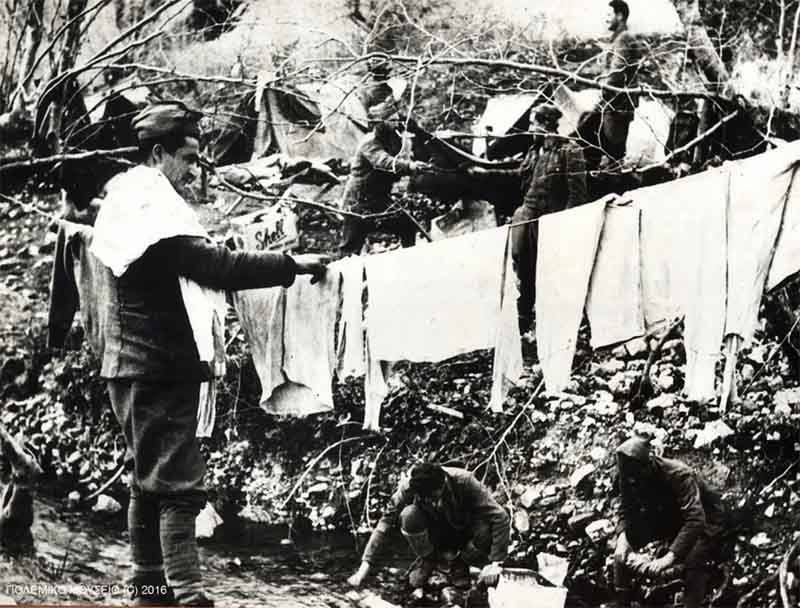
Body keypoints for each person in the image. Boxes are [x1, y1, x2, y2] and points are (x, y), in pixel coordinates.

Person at [89, 101, 328, 606]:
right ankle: (188, 594)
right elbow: (216, 265)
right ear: (159, 154)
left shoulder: (125, 198)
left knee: (147, 480)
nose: (193, 171)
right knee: (178, 484)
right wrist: (292, 264)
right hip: (158, 365)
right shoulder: (150, 207)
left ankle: (148, 588)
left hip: (129, 364)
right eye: (188, 159)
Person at [471, 104, 588, 336]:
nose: (531, 128)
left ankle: (555, 324)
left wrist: (566, 226)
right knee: (523, 268)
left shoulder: (570, 150)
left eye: (534, 124)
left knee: (552, 273)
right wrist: (487, 175)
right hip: (527, 216)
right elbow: (518, 176)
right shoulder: (535, 150)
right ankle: (523, 321)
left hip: (552, 221)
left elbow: (578, 194)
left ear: (547, 125)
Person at [347, 463, 509, 591]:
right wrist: (364, 567)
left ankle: (460, 563)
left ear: (443, 484)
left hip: (463, 530)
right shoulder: (409, 487)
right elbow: (385, 523)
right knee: (408, 515)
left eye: (433, 496)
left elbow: (500, 516)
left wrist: (496, 564)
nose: (430, 501)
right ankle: (429, 559)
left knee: (485, 527)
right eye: (425, 498)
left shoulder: (464, 481)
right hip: (434, 532)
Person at [610, 436, 725, 608]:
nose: (633, 481)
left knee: (694, 558)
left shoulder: (678, 474)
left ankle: (691, 603)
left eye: (637, 476)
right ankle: (622, 599)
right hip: (667, 516)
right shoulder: (628, 474)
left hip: (706, 518)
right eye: (629, 477)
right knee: (621, 554)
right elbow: (626, 508)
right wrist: (622, 539)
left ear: (649, 465)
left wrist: (669, 558)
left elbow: (695, 519)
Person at [338, 99, 431, 255]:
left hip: (380, 199)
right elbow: (383, 162)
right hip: (359, 201)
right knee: (350, 246)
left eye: (397, 120)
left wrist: (416, 167)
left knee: (407, 226)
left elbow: (397, 165)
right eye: (392, 120)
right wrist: (410, 166)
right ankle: (340, 267)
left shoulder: (392, 140)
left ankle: (410, 259)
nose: (396, 123)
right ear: (380, 122)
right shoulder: (369, 142)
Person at [598, 0, 641, 166]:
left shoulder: (624, 38)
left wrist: (602, 88)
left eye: (609, 15)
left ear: (620, 16)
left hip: (618, 103)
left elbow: (617, 72)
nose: (606, 19)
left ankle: (613, 177)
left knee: (612, 152)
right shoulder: (618, 38)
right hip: (614, 102)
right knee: (609, 149)